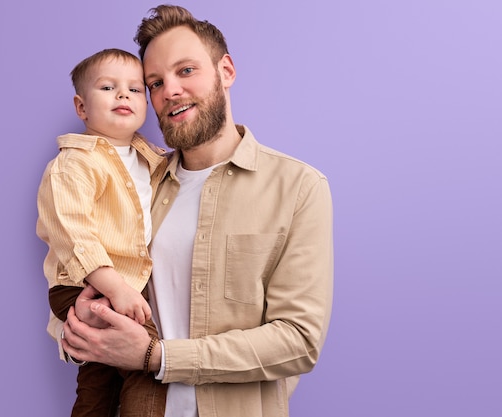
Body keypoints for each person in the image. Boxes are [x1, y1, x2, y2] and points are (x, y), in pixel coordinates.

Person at [61, 5, 334, 416]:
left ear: (226, 71)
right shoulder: (135, 188)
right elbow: (90, 287)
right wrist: (83, 332)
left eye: (186, 70)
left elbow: (299, 341)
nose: (169, 90)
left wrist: (158, 357)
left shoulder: (297, 187)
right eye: (154, 82)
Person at [36, 48, 167, 417]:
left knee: (107, 382)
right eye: (108, 87)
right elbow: (73, 234)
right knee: (123, 373)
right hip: (86, 285)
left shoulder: (154, 161)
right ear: (82, 108)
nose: (123, 95)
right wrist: (116, 288)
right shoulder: (74, 164)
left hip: (131, 287)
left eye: (135, 89)